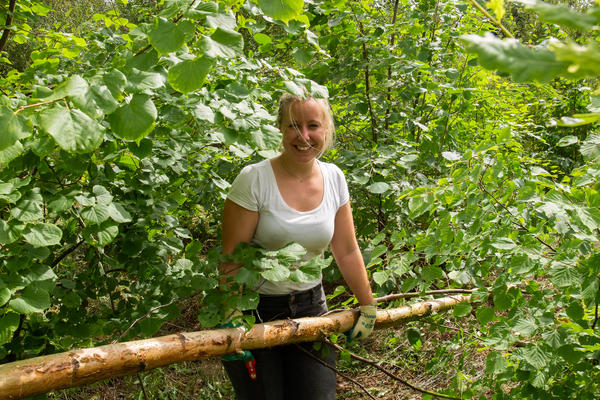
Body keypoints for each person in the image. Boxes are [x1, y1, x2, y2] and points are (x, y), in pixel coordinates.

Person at [219, 92, 377, 400]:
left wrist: (367, 305)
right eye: (293, 125)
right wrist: (233, 315)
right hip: (257, 312)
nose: (304, 136)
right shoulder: (254, 179)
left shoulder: (334, 178)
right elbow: (231, 258)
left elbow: (346, 249)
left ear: (326, 130)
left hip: (312, 308)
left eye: (313, 125)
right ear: (279, 128)